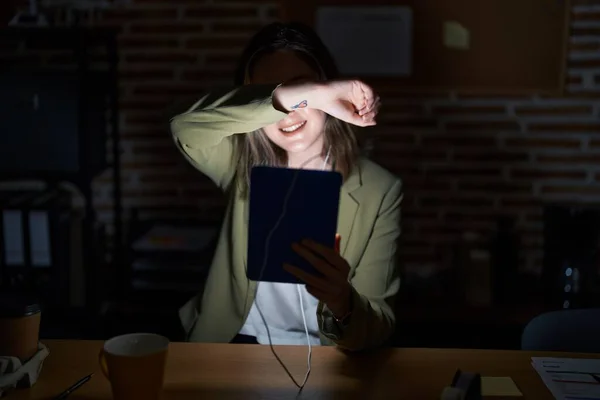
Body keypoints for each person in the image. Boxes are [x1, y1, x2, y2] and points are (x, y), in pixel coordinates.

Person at [171, 22, 402, 352]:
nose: (288, 116)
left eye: (301, 86)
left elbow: (378, 327)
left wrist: (343, 301)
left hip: (329, 354)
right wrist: (308, 94)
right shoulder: (238, 162)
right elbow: (183, 126)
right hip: (235, 344)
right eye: (278, 97)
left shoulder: (379, 189)